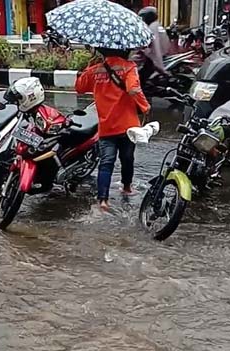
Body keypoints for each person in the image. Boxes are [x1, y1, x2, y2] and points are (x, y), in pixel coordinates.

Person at [75, 48, 151, 211]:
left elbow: (79, 87)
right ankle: (127, 188)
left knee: (106, 162)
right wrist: (145, 107)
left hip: (106, 125)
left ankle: (103, 200)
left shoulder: (95, 70)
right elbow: (133, 89)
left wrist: (89, 67)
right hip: (128, 125)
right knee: (127, 158)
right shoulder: (129, 67)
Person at [138, 6, 171, 81]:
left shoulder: (152, 27)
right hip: (163, 56)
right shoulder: (157, 25)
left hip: (155, 61)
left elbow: (156, 47)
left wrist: (160, 67)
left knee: (141, 80)